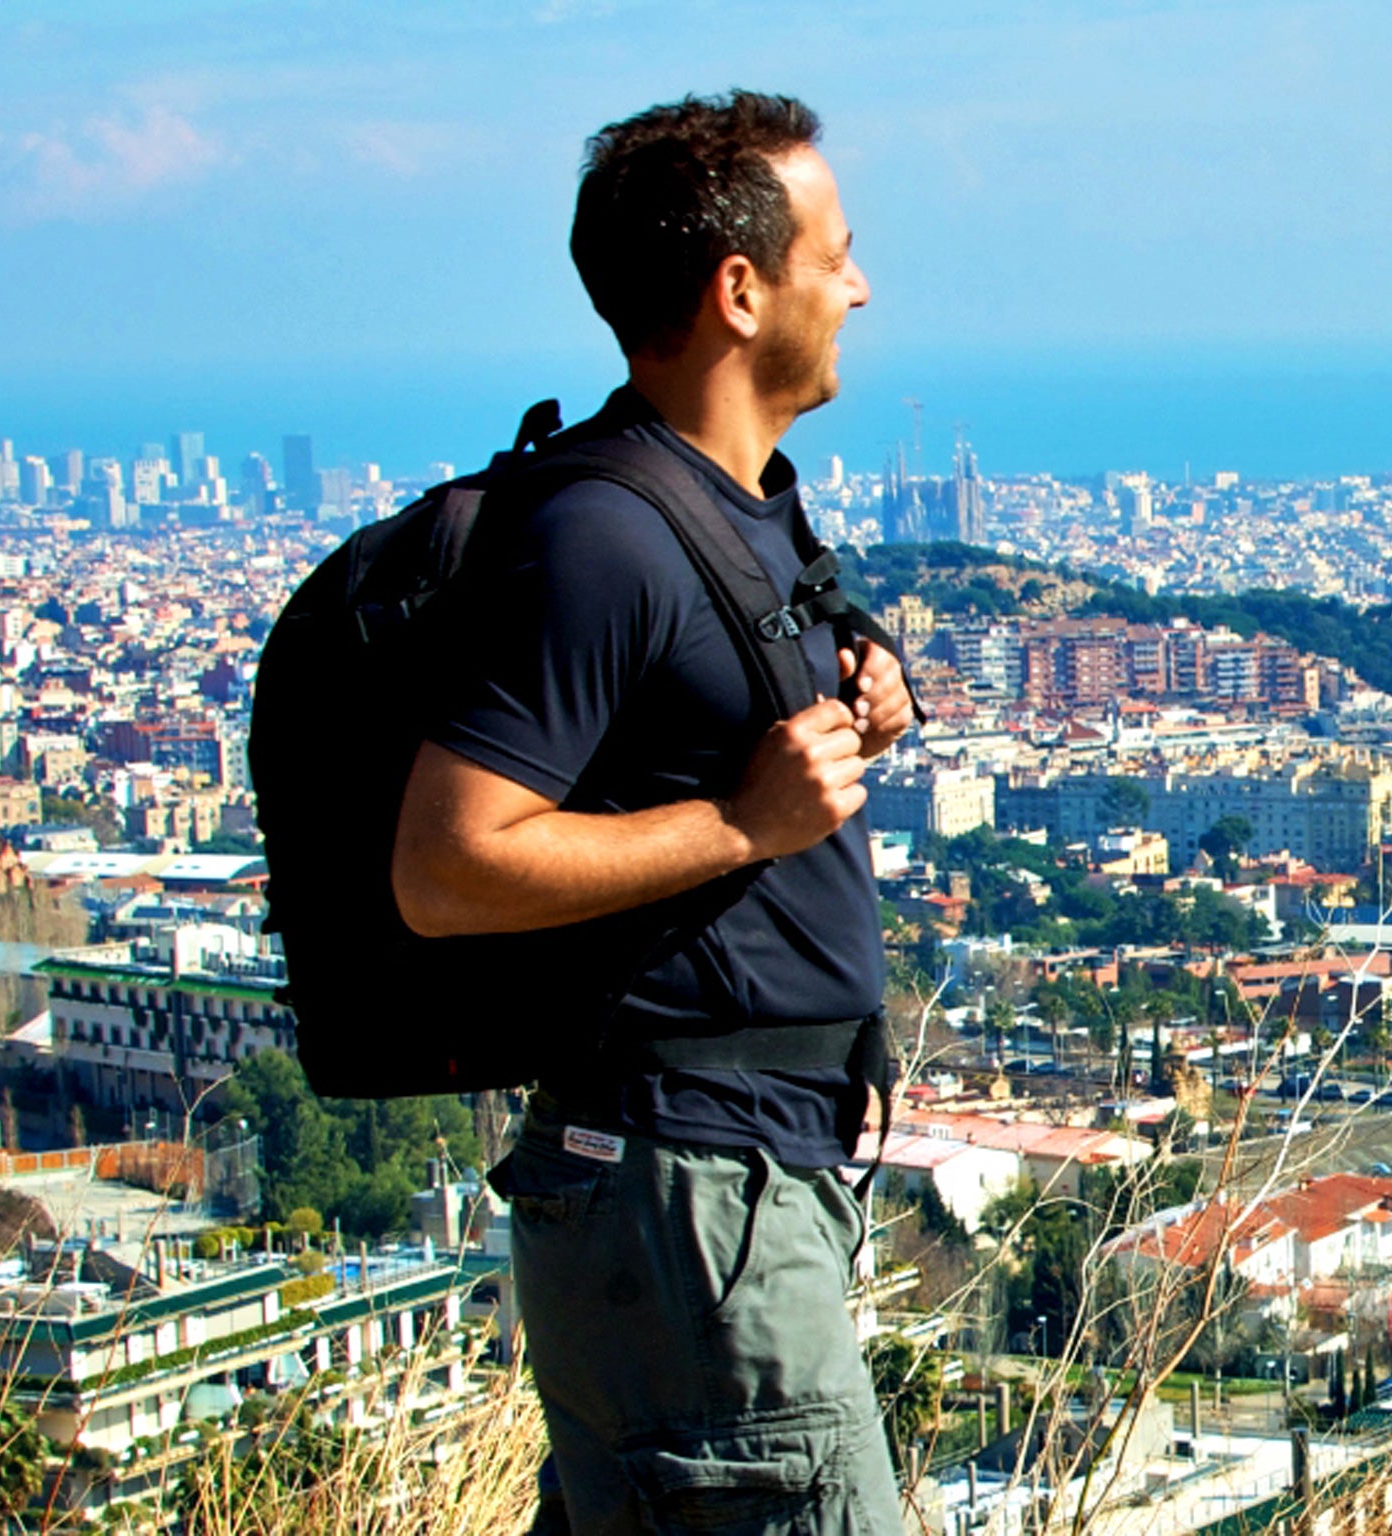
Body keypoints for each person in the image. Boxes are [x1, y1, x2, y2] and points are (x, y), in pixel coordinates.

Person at [390, 92, 913, 1535]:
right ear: (741, 291)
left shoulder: (735, 503)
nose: (859, 287)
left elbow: (706, 721)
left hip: (726, 1186)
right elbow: (448, 862)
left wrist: (867, 692)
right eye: (837, 254)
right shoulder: (604, 533)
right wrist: (747, 825)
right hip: (689, 1190)